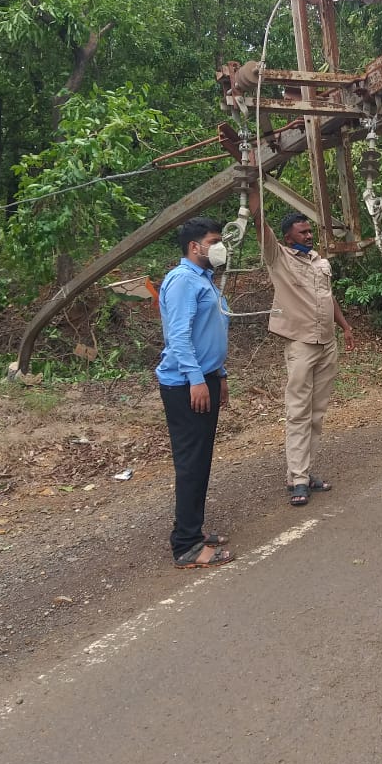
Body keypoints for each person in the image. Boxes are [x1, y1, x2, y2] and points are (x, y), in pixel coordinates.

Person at [248, 184, 355, 507]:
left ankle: (305, 473)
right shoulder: (278, 258)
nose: (309, 235)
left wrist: (345, 327)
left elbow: (327, 296)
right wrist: (253, 187)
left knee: (316, 413)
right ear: (288, 237)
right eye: (303, 232)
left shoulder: (318, 261)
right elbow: (259, 222)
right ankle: (297, 479)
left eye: (310, 231)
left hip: (327, 343)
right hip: (301, 345)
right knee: (298, 412)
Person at [156, 217, 234, 568]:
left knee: (200, 461)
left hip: (206, 377)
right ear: (194, 247)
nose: (220, 246)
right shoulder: (183, 281)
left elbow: (210, 334)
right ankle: (186, 546)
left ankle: (193, 529)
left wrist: (220, 374)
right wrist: (197, 380)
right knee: (191, 463)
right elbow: (180, 337)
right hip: (187, 384)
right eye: (215, 240)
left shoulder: (205, 280)